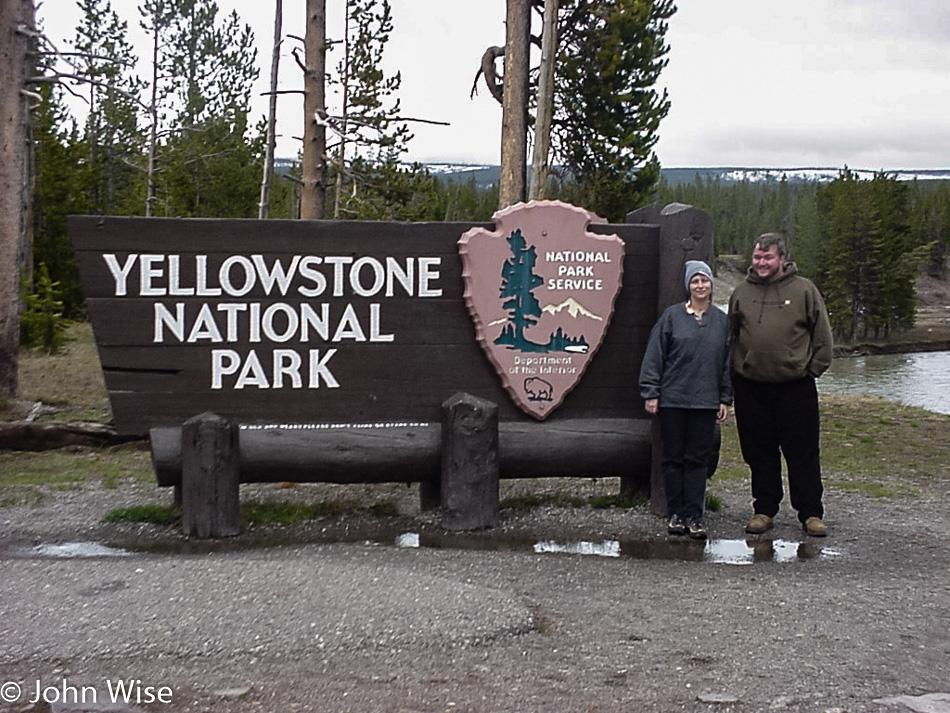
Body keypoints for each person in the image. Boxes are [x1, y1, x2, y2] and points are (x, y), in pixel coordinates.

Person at [728, 233, 834, 537]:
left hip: (795, 387)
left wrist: (811, 370)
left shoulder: (804, 291)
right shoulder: (741, 293)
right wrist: (734, 375)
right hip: (751, 387)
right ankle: (764, 510)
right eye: (757, 257)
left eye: (768, 257)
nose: (761, 263)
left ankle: (811, 513)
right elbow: (731, 337)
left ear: (782, 259)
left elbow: (822, 337)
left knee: (802, 453)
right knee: (759, 453)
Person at [639, 260, 732, 540]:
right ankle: (676, 513)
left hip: (705, 402)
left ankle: (696, 515)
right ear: (688, 286)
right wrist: (651, 392)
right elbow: (654, 355)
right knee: (673, 459)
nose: (700, 286)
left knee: (698, 460)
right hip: (673, 400)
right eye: (695, 281)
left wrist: (725, 398)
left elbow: (728, 362)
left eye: (704, 280)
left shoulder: (721, 321)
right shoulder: (671, 317)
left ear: (711, 285)